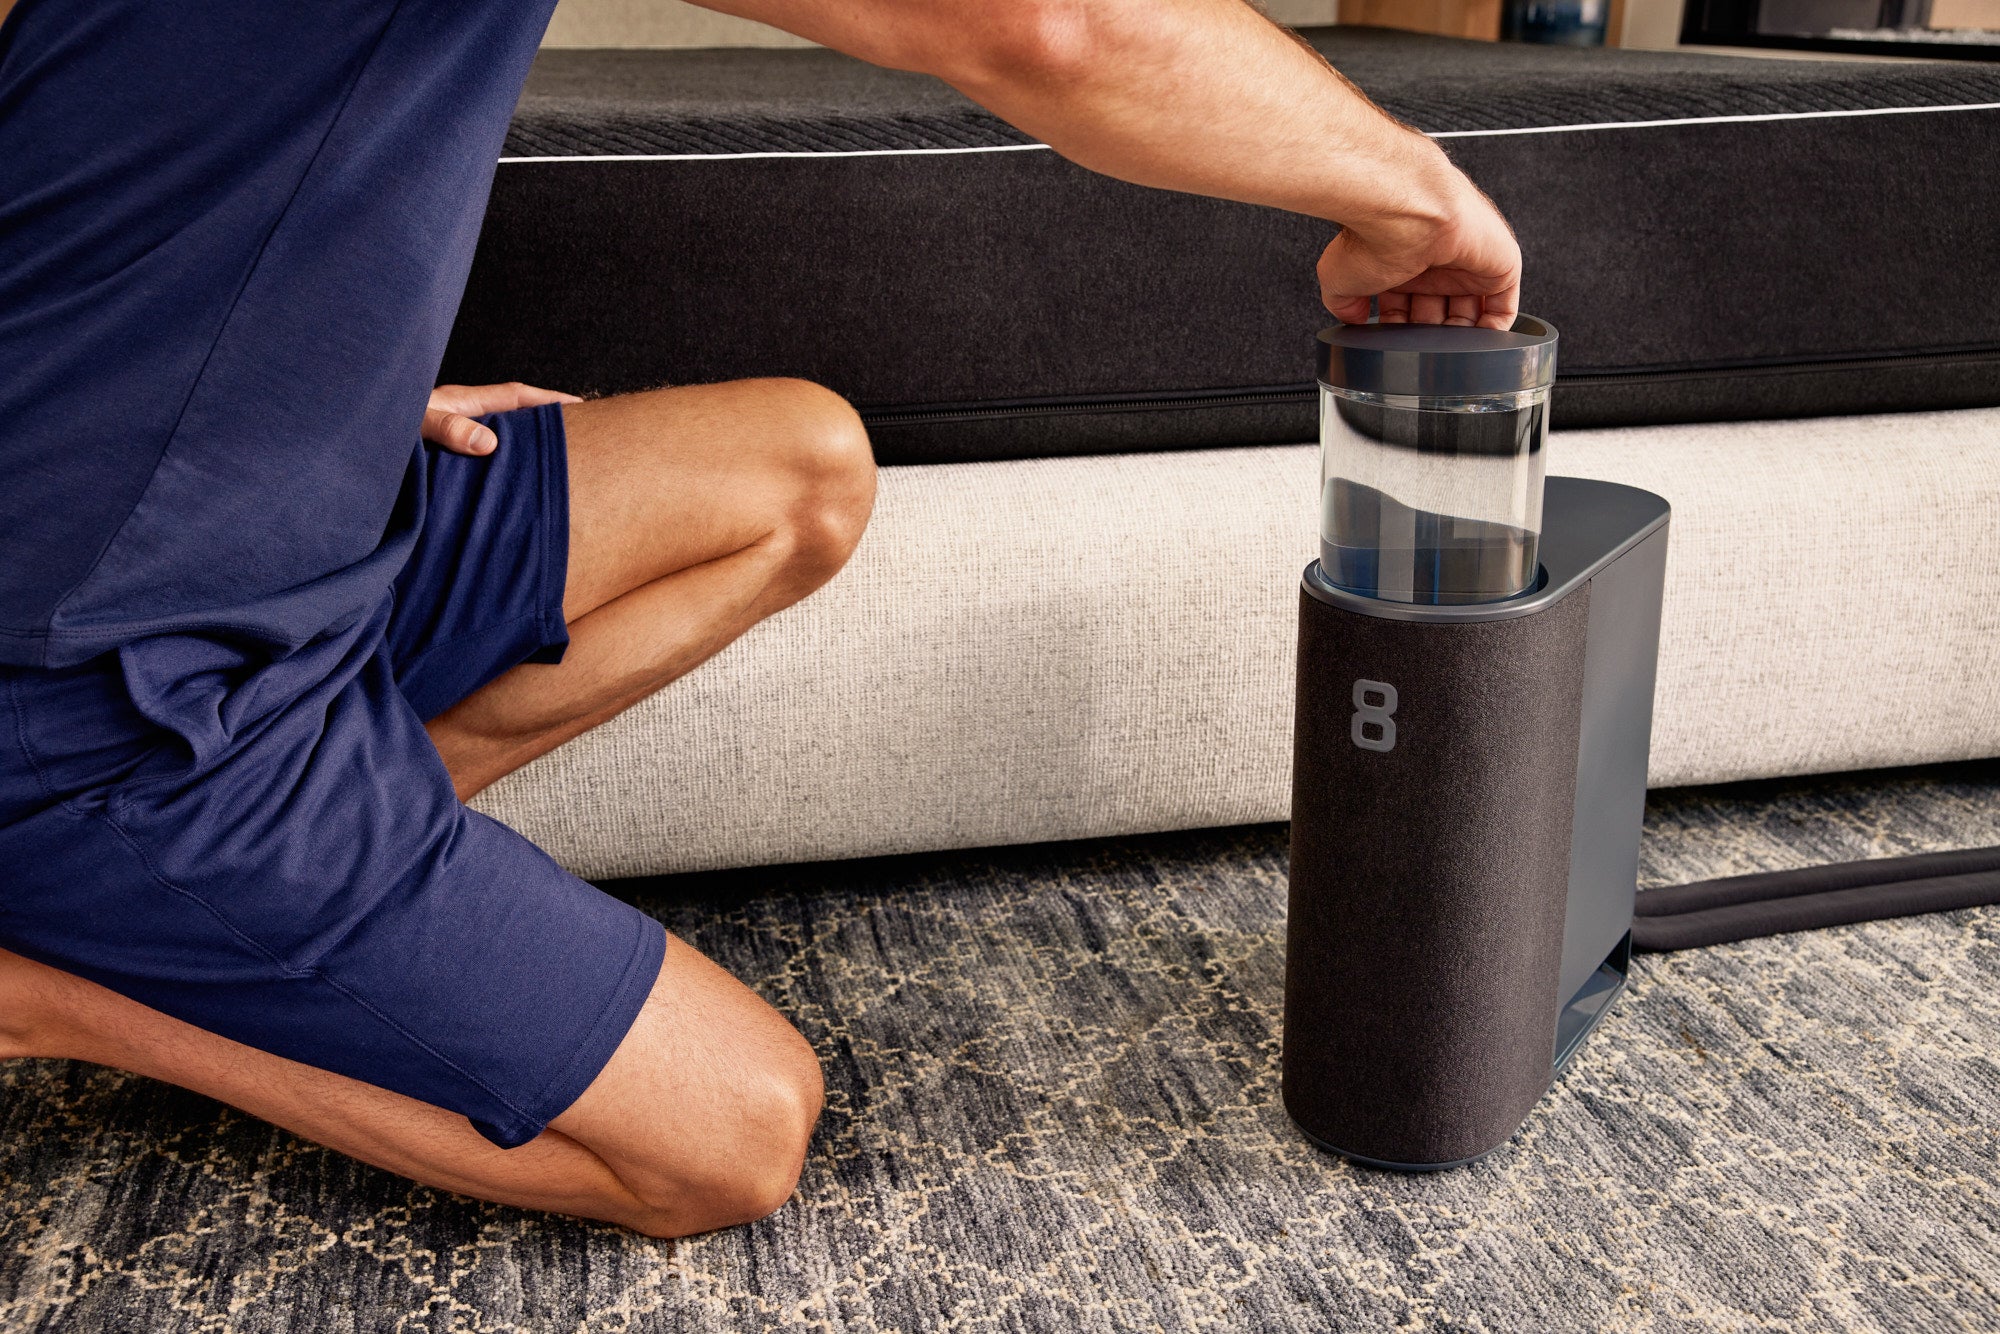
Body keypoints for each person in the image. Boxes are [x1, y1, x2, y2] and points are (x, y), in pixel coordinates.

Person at [0, 0, 1520, 1238]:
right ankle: (75, 989)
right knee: (731, 1135)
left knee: (800, 468)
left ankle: (289, 915)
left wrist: (297, 375)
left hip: (258, 536)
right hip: (116, 698)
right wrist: (1414, 189)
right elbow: (1044, 26)